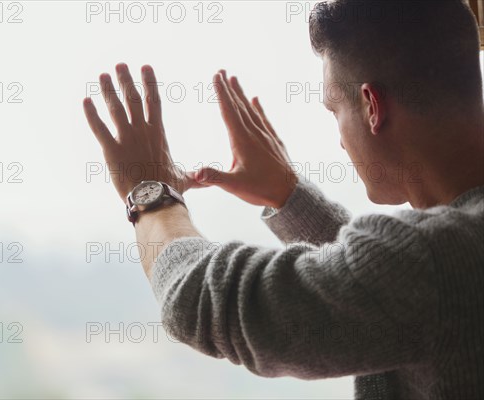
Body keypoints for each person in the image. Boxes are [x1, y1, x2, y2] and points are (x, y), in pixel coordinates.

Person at [83, 0, 484, 398]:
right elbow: (382, 284)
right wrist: (288, 197)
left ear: (371, 106)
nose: (340, 141)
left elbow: (206, 303)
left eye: (334, 109)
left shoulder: (436, 261)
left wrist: (150, 195)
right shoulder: (452, 249)